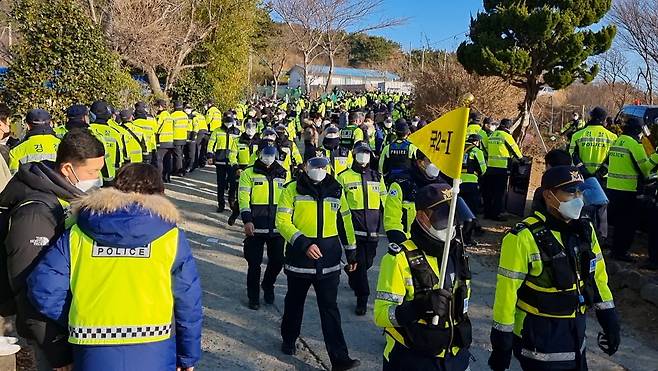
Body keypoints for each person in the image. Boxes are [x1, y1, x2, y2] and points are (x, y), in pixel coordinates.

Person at [27, 163, 202, 371]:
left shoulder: (77, 234)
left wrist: (76, 316)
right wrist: (187, 356)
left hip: (91, 346)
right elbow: (188, 301)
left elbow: (43, 287)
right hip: (154, 345)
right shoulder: (170, 238)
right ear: (160, 194)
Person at [489, 165, 619, 371]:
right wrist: (501, 343)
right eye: (570, 192)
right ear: (549, 196)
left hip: (576, 334)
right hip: (539, 338)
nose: (578, 198)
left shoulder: (584, 230)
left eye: (580, 191)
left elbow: (598, 277)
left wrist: (610, 319)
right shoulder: (523, 237)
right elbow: (506, 295)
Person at [0, 129, 105, 371]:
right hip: (46, 330)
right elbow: (29, 287)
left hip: (59, 319)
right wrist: (57, 350)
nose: (98, 178)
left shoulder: (63, 195)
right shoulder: (36, 212)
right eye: (93, 172)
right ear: (67, 169)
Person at [374, 183, 472, 371]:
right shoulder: (399, 259)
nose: (451, 223)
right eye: (444, 217)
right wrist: (418, 307)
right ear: (422, 217)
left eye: (453, 216)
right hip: (412, 360)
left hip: (456, 358)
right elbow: (381, 315)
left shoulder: (456, 253)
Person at [275, 156, 360, 371]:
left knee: (330, 309)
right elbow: (282, 221)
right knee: (294, 303)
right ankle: (289, 338)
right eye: (314, 166)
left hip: (329, 261)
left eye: (323, 167)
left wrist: (352, 252)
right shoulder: (291, 189)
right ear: (305, 168)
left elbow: (345, 221)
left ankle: (340, 359)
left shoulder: (336, 189)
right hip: (300, 260)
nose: (319, 170)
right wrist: (303, 243)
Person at [336, 142, 387, 315]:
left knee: (367, 263)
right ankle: (362, 299)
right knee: (361, 264)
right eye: (360, 153)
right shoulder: (344, 177)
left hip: (372, 230)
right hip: (353, 230)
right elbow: (338, 205)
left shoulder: (376, 176)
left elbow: (385, 199)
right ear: (354, 154)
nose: (363, 156)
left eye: (366, 153)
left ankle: (352, 271)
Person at [238, 143, 288, 309]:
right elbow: (243, 199)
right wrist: (247, 220)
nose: (268, 157)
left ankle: (268, 284)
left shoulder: (283, 173)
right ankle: (253, 297)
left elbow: (289, 200)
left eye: (272, 154)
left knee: (277, 262)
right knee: (254, 263)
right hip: (255, 227)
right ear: (259, 154)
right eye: (266, 153)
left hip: (277, 227)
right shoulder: (248, 173)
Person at [607, 117, 658, 262]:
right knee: (628, 225)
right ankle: (621, 253)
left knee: (618, 224)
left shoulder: (618, 140)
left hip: (613, 188)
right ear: (638, 130)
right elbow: (646, 168)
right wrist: (656, 156)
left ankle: (615, 251)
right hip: (629, 190)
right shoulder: (634, 145)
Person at [568, 107, 617, 241]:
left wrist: (583, 169)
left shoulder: (578, 135)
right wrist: (600, 173)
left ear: (590, 117)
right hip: (602, 178)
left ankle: (580, 233)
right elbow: (612, 158)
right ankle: (601, 237)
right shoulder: (612, 137)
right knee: (602, 207)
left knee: (580, 205)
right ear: (604, 120)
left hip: (581, 176)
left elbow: (571, 154)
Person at [483, 118, 523, 221]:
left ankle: (487, 213)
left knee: (489, 191)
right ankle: (496, 214)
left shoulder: (492, 135)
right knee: (499, 192)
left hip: (490, 167)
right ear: (508, 127)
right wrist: (521, 159)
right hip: (502, 168)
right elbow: (514, 149)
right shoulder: (506, 136)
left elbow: (486, 149)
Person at [228, 120, 261, 225]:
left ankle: (253, 220)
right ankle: (235, 213)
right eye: (248, 127)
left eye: (252, 127)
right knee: (242, 195)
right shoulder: (238, 141)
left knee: (255, 196)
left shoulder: (260, 142)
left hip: (256, 171)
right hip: (242, 170)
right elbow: (232, 155)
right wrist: (236, 167)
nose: (250, 130)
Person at [9, 109, 61, 173]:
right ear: (51, 124)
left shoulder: (16, 151)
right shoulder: (63, 145)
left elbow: (12, 177)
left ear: (28, 126)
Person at [207, 112, 239, 212]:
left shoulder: (238, 132)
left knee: (233, 184)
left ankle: (231, 202)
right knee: (220, 184)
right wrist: (210, 156)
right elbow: (211, 144)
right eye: (226, 121)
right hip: (220, 161)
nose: (228, 123)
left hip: (232, 162)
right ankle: (221, 204)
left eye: (230, 121)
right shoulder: (217, 131)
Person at [460, 134, 487, 246]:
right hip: (471, 184)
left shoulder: (459, 149)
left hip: (458, 184)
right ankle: (466, 239)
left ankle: (455, 235)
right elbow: (483, 169)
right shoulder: (477, 151)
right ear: (476, 142)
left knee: (457, 211)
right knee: (470, 212)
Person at [89, 101, 125, 184]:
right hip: (110, 177)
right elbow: (119, 158)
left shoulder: (88, 130)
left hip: (91, 177)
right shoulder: (115, 133)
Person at [379, 119, 418, 185]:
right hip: (408, 181)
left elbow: (381, 167)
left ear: (395, 133)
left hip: (392, 181)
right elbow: (417, 166)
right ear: (407, 133)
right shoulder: (412, 147)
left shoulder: (387, 148)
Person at [154, 99, 175, 182]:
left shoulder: (161, 115)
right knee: (167, 159)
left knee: (159, 159)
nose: (156, 108)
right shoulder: (169, 115)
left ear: (160, 106)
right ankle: (167, 177)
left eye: (156, 106)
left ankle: (160, 178)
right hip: (170, 141)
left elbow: (156, 128)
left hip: (162, 140)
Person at [171, 101, 192, 176]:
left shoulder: (172, 115)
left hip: (176, 137)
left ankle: (179, 171)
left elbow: (171, 127)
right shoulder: (185, 115)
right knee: (181, 154)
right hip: (183, 137)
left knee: (177, 155)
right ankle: (181, 169)